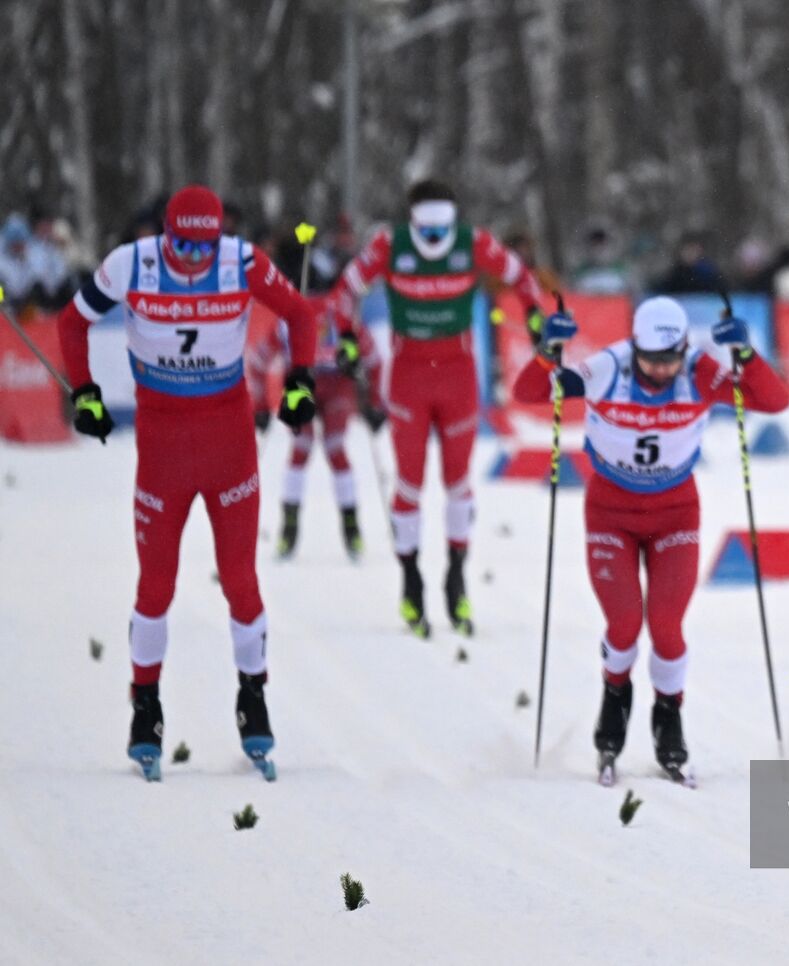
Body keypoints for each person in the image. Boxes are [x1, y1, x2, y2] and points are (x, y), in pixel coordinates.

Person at [54, 184, 320, 781]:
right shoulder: (133, 262)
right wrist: (85, 392)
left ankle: (252, 697)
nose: (195, 260)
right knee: (156, 584)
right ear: (164, 234)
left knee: (241, 579)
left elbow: (302, 314)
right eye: (183, 245)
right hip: (163, 445)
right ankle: (144, 707)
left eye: (205, 246)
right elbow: (72, 324)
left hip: (228, 441)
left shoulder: (241, 260)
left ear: (218, 237)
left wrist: (300, 381)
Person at [512, 296, 789, 781]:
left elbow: (773, 400)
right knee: (623, 625)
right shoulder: (609, 368)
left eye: (669, 360)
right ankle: (614, 698)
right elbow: (528, 393)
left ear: (684, 348)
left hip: (675, 512)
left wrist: (745, 355)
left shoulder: (700, 371)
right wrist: (546, 349)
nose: (660, 371)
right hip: (610, 513)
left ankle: (668, 716)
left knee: (665, 624)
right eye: (650, 359)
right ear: (634, 345)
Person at [329, 179, 545, 638]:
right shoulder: (389, 245)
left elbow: (523, 277)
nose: (431, 244)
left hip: (457, 378)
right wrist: (347, 339)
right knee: (409, 481)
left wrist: (534, 316)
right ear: (411, 222)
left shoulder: (475, 243)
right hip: (409, 377)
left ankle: (456, 577)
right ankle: (411, 580)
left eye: (439, 233)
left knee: (457, 482)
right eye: (425, 233)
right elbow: (344, 293)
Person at [247, 281, 385, 561]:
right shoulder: (288, 322)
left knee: (334, 448)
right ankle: (290, 525)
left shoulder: (344, 318)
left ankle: (350, 525)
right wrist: (259, 407)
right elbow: (258, 362)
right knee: (302, 447)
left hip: (336, 386)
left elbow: (373, 361)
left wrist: (374, 403)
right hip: (301, 385)